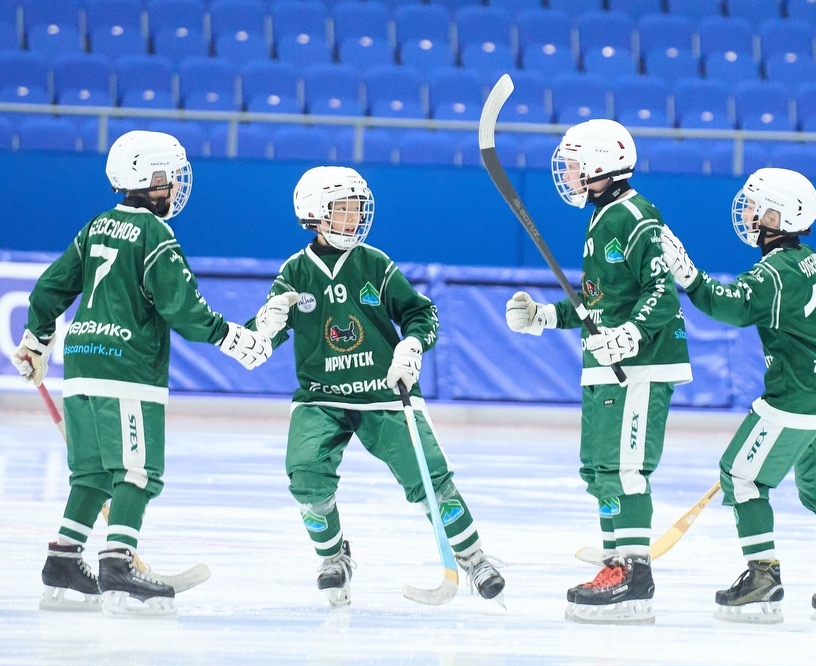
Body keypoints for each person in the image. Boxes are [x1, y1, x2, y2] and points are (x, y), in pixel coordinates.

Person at [11, 130, 272, 616]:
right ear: (149, 180)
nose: (175, 187)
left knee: (92, 473)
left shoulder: (96, 226)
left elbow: (50, 287)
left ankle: (64, 559)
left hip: (82, 362)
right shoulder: (155, 235)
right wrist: (231, 337)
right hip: (126, 366)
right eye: (169, 178)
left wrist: (37, 340)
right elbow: (182, 307)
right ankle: (118, 563)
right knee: (136, 470)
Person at [247, 165, 504, 607]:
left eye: (357, 209)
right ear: (315, 214)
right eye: (344, 210)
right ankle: (333, 559)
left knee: (429, 476)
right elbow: (260, 340)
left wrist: (413, 345)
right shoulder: (294, 271)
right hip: (321, 397)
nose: (355, 218)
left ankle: (474, 558)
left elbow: (421, 313)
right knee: (305, 472)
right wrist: (265, 323)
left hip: (384, 394)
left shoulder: (374, 263)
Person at [659, 167, 816, 624]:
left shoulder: (774, 273)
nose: (747, 213)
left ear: (779, 216)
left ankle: (762, 574)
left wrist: (690, 277)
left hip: (798, 399)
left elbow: (730, 305)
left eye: (755, 206)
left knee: (741, 476)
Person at [504, 119, 692, 625]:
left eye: (573, 165)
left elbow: (662, 292)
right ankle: (615, 564)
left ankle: (634, 573)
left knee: (625, 469)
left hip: (640, 364)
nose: (567, 175)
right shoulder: (601, 217)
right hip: (604, 364)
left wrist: (630, 334)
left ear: (601, 164)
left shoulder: (635, 214)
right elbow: (597, 303)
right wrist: (545, 317)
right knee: (599, 469)